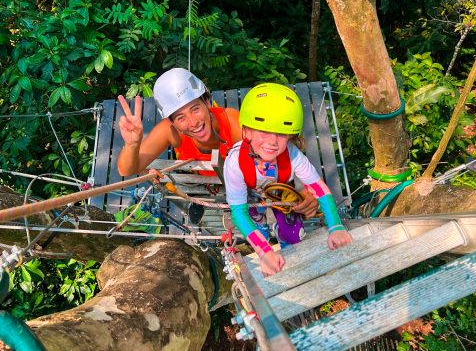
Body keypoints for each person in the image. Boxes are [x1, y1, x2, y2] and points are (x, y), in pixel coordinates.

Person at [116, 68, 319, 220]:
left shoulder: (232, 124)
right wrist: (133, 144)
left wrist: (306, 191)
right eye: (180, 117)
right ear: (172, 122)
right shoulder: (170, 131)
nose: (193, 122)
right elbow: (127, 169)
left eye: (195, 109)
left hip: (249, 190)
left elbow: (280, 154)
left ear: (207, 102)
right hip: (207, 194)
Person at [223, 82, 352, 276]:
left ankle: (292, 266)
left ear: (290, 136)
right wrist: (264, 251)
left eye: (281, 134)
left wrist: (335, 226)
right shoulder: (235, 162)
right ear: (247, 131)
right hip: (251, 198)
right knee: (258, 230)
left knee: (293, 237)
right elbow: (239, 212)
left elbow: (318, 188)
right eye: (264, 131)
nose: (272, 142)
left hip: (281, 195)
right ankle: (266, 249)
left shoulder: (292, 154)